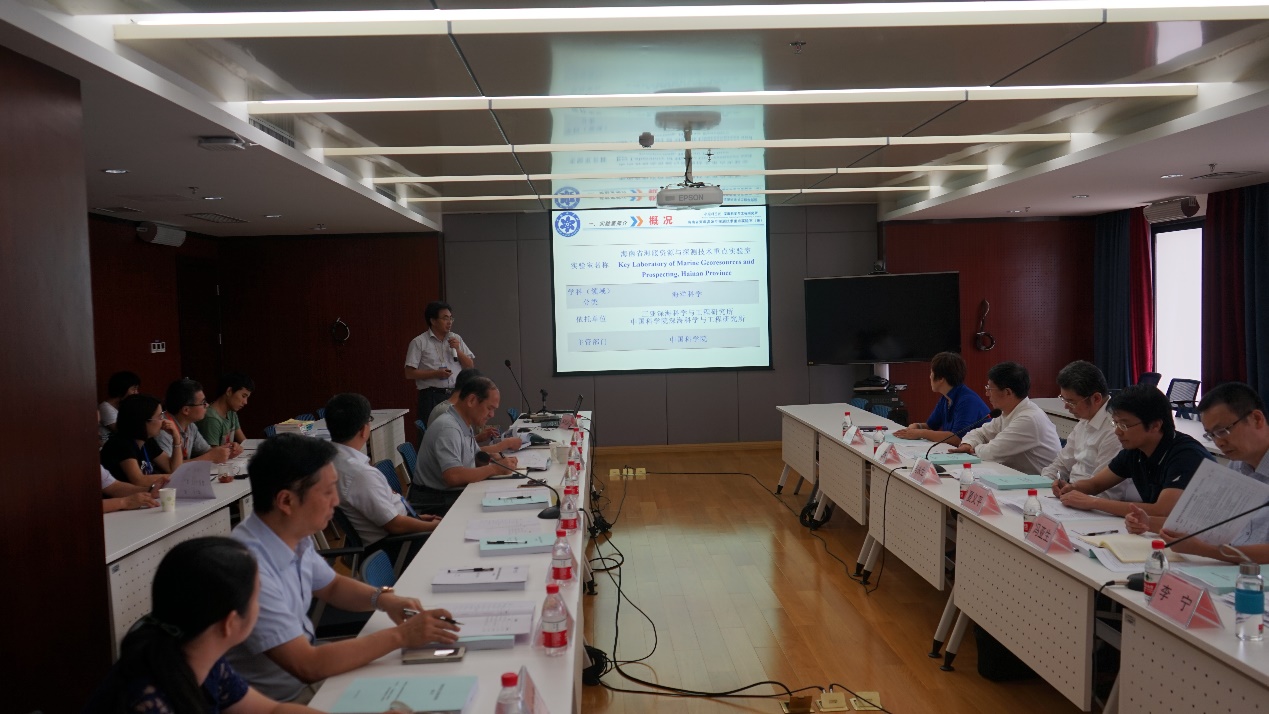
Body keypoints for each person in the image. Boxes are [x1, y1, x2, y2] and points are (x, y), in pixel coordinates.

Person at [227, 434, 458, 703]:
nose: (336, 501)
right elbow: (308, 665)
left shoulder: (290, 532)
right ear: (286, 501)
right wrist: (402, 636)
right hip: (284, 699)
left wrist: (384, 599)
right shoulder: (249, 569)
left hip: (310, 677)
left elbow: (332, 586)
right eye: (327, 492)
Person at [85, 536, 323, 713]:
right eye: (257, 597)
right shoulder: (149, 700)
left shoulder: (199, 657)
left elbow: (271, 710)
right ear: (230, 623)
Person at [1126, 382, 1269, 563]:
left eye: (1223, 431)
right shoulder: (1237, 467)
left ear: (1256, 419)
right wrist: (1147, 522)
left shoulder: (1188, 453)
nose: (1219, 442)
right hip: (1232, 569)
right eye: (1211, 435)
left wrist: (1205, 550)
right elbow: (1207, 524)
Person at [1053, 383, 1214, 518]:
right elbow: (1095, 484)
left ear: (1155, 425)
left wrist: (1093, 502)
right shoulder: (1135, 450)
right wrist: (1072, 488)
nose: (1117, 432)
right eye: (1115, 423)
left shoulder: (1185, 455)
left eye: (1124, 425)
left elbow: (1162, 511)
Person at [326, 392, 441, 566]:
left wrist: (417, 518)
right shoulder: (359, 474)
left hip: (398, 535)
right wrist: (435, 527)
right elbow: (395, 525)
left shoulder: (333, 461)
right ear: (364, 429)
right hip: (397, 547)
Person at [410, 376, 518, 516]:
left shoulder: (463, 422)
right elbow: (453, 476)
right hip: (437, 503)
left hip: (450, 495)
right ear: (472, 400)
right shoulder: (448, 428)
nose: (492, 414)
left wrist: (494, 458)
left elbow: (476, 457)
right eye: (489, 408)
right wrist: (495, 469)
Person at [1040, 360, 1139, 501]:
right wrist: (1045, 483)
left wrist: (1070, 493)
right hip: (1073, 496)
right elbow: (1061, 464)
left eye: (1071, 402)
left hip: (1094, 504)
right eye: (1063, 399)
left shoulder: (1115, 431)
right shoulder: (1085, 419)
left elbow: (1106, 493)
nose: (1066, 407)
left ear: (1096, 398)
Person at [948, 361, 1060, 474]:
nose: (987, 394)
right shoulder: (1007, 412)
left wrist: (972, 449)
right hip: (1016, 476)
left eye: (990, 389)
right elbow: (981, 433)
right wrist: (968, 444)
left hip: (1041, 482)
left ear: (1007, 392)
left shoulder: (1029, 418)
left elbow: (992, 452)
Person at [894, 351, 989, 445]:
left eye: (931, 372)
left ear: (941, 379)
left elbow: (957, 438)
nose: (930, 377)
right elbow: (931, 426)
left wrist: (921, 433)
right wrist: (917, 426)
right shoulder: (946, 398)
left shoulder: (967, 400)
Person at [404, 301, 474, 421]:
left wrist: (458, 350)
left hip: (455, 395)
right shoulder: (419, 342)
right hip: (431, 396)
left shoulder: (456, 338)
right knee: (433, 430)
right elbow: (409, 373)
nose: (449, 322)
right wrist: (436, 373)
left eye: (451, 318)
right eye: (445, 318)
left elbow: (470, 366)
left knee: (457, 430)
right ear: (433, 321)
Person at [429, 368, 524, 452]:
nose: (492, 415)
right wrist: (503, 446)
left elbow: (463, 449)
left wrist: (477, 438)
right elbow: (460, 457)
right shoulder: (447, 415)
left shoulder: (457, 413)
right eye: (489, 408)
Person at [101, 394, 184, 487]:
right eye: (160, 417)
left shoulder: (146, 441)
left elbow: (172, 468)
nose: (163, 421)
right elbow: (138, 480)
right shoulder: (120, 444)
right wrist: (176, 477)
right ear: (143, 421)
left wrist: (176, 438)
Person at [156, 378, 237, 464]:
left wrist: (228, 449)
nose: (207, 405)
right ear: (186, 410)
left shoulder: (191, 426)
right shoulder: (163, 429)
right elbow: (171, 467)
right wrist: (209, 457)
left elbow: (208, 451)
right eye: (203, 402)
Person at [201, 372, 254, 448]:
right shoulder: (211, 418)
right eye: (243, 396)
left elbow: (244, 442)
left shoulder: (231, 412)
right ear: (229, 391)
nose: (245, 402)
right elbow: (214, 453)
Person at [99, 370, 141, 446]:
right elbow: (122, 431)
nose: (136, 392)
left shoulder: (122, 406)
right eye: (134, 389)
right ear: (123, 388)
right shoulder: (105, 407)